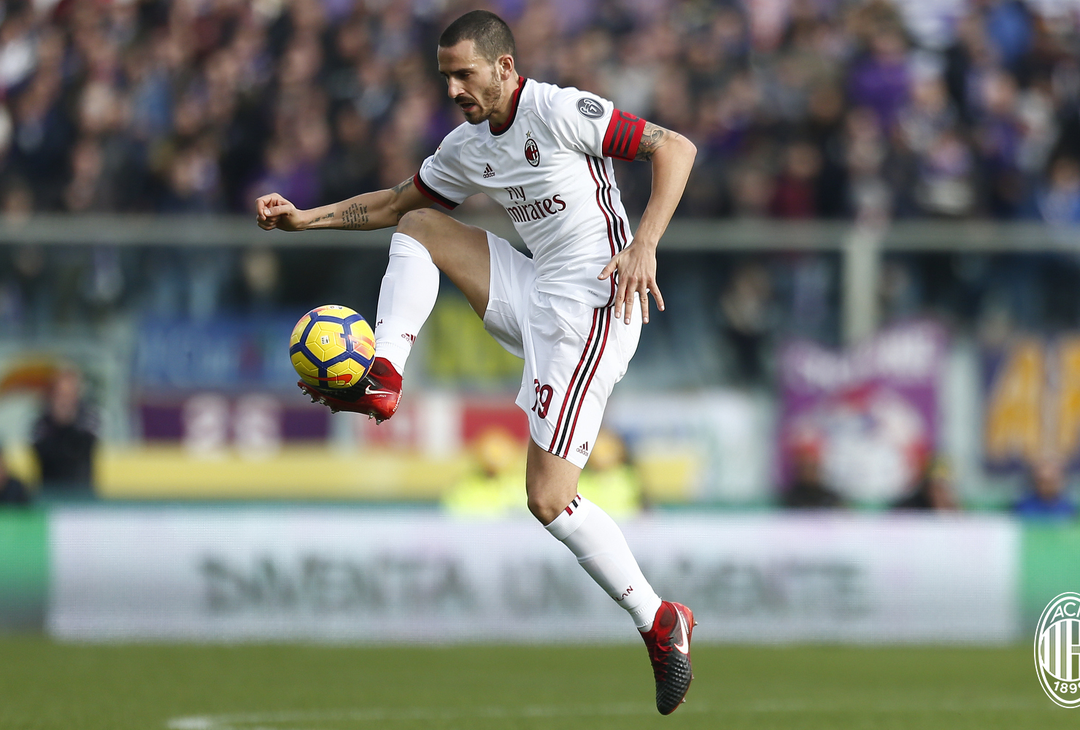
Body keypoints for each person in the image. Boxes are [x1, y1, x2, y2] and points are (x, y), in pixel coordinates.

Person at [256, 10, 697, 714]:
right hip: (539, 290)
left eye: (466, 73)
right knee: (420, 224)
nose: (455, 88)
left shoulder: (556, 110)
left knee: (548, 498)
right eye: (446, 77)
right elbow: (395, 202)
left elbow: (674, 147)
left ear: (504, 68)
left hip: (597, 304)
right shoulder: (465, 146)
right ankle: (385, 374)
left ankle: (659, 620)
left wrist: (645, 241)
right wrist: (305, 219)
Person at [31, 367, 98, 493]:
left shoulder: (88, 419)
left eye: (70, 395)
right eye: (61, 395)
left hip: (82, 492)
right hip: (49, 491)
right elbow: (42, 454)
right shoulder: (42, 422)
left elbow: (82, 451)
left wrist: (68, 424)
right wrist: (58, 423)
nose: (65, 401)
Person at [1013, 454, 1077, 521]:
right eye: (1043, 481)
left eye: (1051, 481)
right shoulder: (1023, 507)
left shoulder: (1068, 508)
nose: (1047, 486)